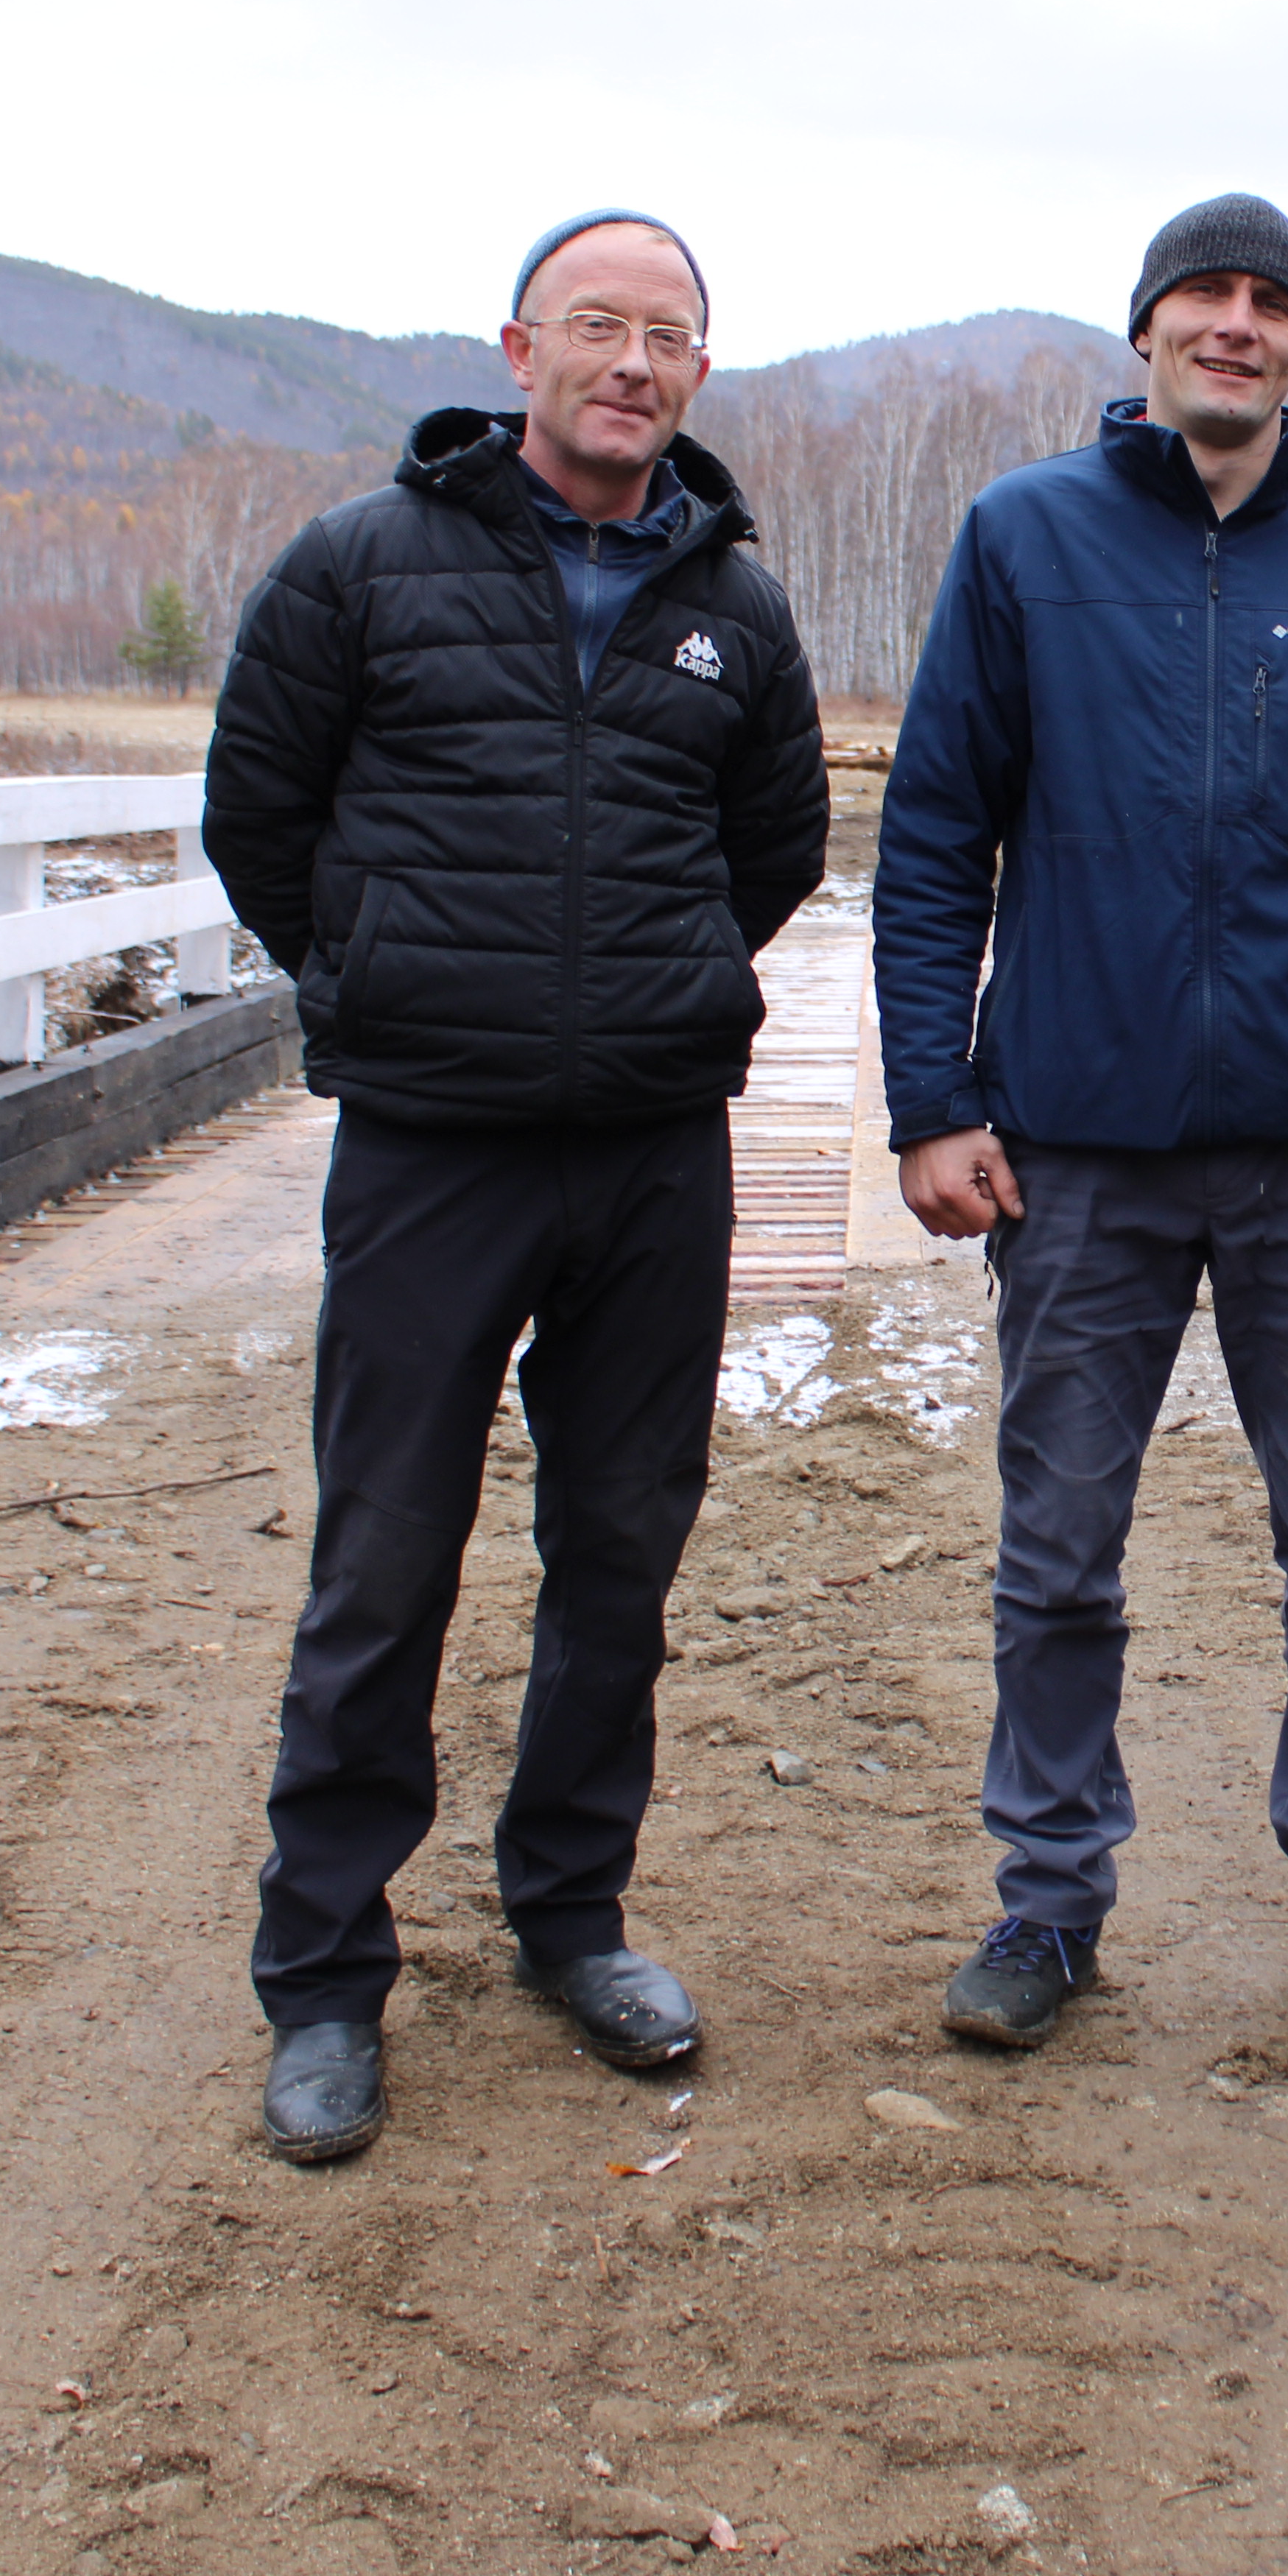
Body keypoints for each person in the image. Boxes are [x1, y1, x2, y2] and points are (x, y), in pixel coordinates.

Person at [203, 208, 829, 2163]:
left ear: (700, 374)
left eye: (668, 337)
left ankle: (572, 1919)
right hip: (431, 1147)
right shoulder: (362, 568)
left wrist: (652, 991)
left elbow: (778, 841)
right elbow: (261, 813)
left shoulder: (735, 599)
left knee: (618, 1559)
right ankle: (324, 1980)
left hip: (651, 1152)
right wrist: (385, 975)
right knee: (382, 1562)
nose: (631, 363)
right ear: (518, 346)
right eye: (597, 327)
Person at [874, 193, 1288, 2064]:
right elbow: (932, 840)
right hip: (1077, 1144)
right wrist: (934, 1098)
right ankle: (1048, 1898)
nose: (1233, 326)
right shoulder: (1024, 540)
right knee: (1057, 1543)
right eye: (1200, 298)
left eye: (1267, 303)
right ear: (1144, 333)